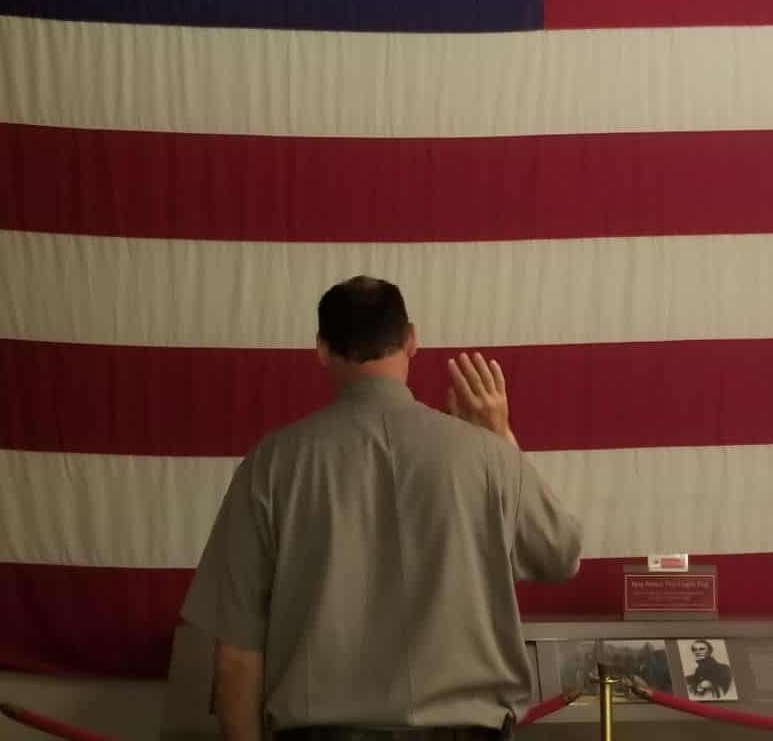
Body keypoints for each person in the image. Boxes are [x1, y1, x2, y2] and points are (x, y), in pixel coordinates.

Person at [181, 276, 582, 741]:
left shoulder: (272, 464)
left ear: (322, 349)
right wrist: (501, 438)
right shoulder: (487, 456)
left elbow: (235, 656)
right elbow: (560, 554)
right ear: (411, 340)